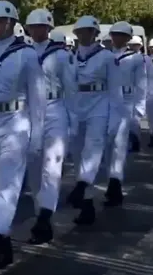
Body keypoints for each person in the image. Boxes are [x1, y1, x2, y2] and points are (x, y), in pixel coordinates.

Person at [0, 0, 45, 270]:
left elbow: (37, 99)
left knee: (7, 185)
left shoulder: (27, 54)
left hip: (15, 124)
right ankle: (4, 242)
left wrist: (37, 137)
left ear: (12, 24)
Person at [23, 10, 77, 245]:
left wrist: (73, 122)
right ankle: (41, 212)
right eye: (32, 26)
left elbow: (71, 89)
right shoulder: (23, 53)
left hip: (56, 109)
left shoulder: (62, 56)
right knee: (34, 166)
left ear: (49, 28)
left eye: (41, 26)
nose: (36, 30)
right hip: (30, 111)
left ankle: (45, 216)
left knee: (51, 166)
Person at [66, 15, 121, 225]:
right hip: (77, 105)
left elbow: (116, 90)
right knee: (79, 155)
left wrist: (115, 119)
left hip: (99, 105)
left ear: (95, 34)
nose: (83, 35)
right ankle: (87, 204)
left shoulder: (107, 57)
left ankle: (81, 185)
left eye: (88, 31)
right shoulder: (71, 56)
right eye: (80, 32)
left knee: (93, 147)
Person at [104, 22, 145, 204]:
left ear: (128, 38)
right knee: (106, 145)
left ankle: (115, 182)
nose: (118, 38)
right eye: (115, 34)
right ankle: (110, 179)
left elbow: (141, 86)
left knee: (119, 145)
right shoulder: (104, 56)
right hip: (105, 103)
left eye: (122, 35)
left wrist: (139, 110)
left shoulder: (136, 59)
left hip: (126, 102)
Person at [127, 35, 149, 152]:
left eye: (135, 45)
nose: (133, 47)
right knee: (130, 120)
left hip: (141, 90)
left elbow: (143, 79)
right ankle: (133, 141)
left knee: (135, 119)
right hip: (128, 92)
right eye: (131, 45)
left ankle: (136, 142)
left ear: (140, 46)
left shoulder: (145, 59)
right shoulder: (127, 58)